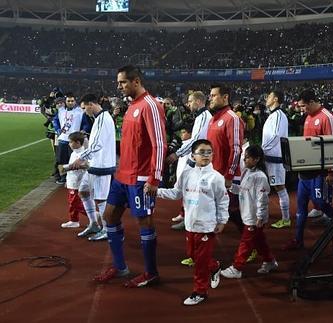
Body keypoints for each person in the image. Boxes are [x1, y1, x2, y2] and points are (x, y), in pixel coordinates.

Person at [93, 65, 167, 287]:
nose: (119, 86)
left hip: (141, 177)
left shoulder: (150, 105)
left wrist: (155, 178)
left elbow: (159, 144)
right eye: (118, 82)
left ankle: (151, 273)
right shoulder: (132, 106)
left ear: (136, 81)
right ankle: (120, 266)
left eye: (123, 82)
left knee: (145, 223)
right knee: (109, 217)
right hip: (122, 175)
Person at [157, 139, 228, 306]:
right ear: (193, 155)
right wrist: (156, 192)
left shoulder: (216, 178)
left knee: (200, 264)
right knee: (192, 256)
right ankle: (215, 265)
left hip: (206, 226)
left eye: (209, 152)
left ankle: (200, 292)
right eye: (201, 152)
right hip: (190, 225)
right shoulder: (187, 174)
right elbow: (175, 193)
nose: (205, 155)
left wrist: (222, 220)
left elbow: (223, 201)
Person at [283, 89, 333, 250]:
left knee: (320, 203)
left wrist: (331, 171)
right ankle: (298, 240)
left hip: (319, 173)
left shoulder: (326, 117)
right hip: (305, 172)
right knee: (301, 207)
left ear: (312, 102)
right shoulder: (308, 117)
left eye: (303, 106)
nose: (302, 110)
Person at [221, 145, 278, 279]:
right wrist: (231, 187)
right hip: (247, 214)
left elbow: (262, 199)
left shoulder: (260, 177)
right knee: (259, 241)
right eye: (244, 157)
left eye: (247, 158)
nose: (245, 160)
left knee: (245, 243)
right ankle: (270, 261)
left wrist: (260, 217)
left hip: (254, 217)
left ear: (256, 159)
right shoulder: (247, 172)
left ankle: (237, 267)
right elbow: (243, 189)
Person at [73, 94, 117, 241]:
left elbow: (96, 145)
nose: (85, 112)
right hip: (95, 165)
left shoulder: (104, 118)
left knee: (101, 199)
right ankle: (93, 223)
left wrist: (81, 157)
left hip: (101, 166)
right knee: (83, 191)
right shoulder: (100, 118)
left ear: (91, 104)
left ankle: (106, 229)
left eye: (85, 108)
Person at [167, 91, 212, 231]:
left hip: (200, 160)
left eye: (191, 101)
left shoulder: (204, 116)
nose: (188, 104)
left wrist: (177, 153)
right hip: (197, 158)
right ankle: (187, 216)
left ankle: (192, 219)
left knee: (194, 191)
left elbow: (195, 139)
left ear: (198, 101)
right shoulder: (200, 116)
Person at [206, 84, 244, 231]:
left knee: (232, 210)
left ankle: (252, 240)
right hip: (213, 173)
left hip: (226, 175)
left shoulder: (232, 118)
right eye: (210, 95)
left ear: (225, 97)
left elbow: (235, 149)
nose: (211, 98)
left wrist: (229, 174)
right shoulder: (213, 119)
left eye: (214, 95)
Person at [261, 90, 291, 230]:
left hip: (275, 157)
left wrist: (262, 149)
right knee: (271, 187)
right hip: (270, 155)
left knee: (279, 187)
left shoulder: (279, 115)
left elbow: (275, 136)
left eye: (269, 96)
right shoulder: (273, 115)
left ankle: (286, 219)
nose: (267, 98)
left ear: (276, 99)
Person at [53, 92, 91, 184]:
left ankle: (73, 177)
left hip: (74, 140)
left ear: (75, 101)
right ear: (65, 101)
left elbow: (86, 124)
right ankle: (63, 176)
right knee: (61, 159)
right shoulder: (61, 110)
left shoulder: (80, 111)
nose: (70, 102)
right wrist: (57, 129)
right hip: (62, 139)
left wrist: (83, 130)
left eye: (72, 101)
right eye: (68, 101)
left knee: (73, 159)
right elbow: (55, 121)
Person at [60, 132, 87, 229]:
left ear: (78, 142)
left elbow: (84, 167)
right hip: (72, 181)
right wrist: (68, 180)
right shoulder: (74, 153)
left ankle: (92, 214)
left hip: (77, 182)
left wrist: (69, 167)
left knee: (74, 202)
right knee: (72, 203)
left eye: (71, 142)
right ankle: (74, 220)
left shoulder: (83, 154)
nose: (69, 144)